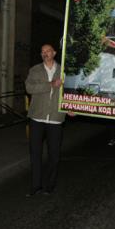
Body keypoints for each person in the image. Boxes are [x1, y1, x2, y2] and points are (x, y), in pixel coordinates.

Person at [25, 43, 69, 196]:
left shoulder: (64, 71)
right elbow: (29, 88)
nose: (45, 53)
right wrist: (50, 85)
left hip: (56, 119)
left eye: (48, 51)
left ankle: (49, 186)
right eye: (42, 51)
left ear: (54, 53)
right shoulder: (35, 70)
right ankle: (35, 186)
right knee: (35, 154)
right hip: (37, 117)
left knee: (54, 155)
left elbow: (69, 92)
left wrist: (71, 107)